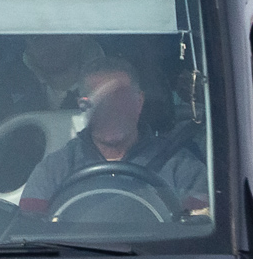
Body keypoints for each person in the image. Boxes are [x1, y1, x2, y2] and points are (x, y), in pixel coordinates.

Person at [19, 58, 206, 217]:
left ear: (139, 102)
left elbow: (200, 233)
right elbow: (29, 231)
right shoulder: (53, 170)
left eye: (120, 98)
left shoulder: (181, 168)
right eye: (99, 101)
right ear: (83, 107)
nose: (110, 110)